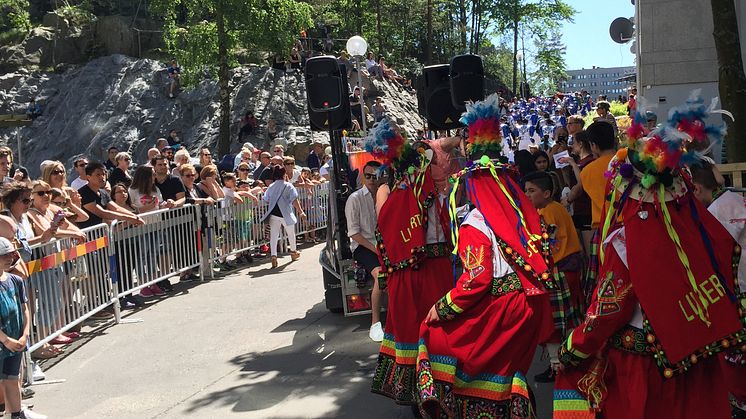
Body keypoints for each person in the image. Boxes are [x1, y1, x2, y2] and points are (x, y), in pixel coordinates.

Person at [553, 97, 744, 419]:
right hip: (699, 358)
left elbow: (608, 311)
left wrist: (573, 346)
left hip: (646, 366)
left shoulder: (628, 243)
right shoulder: (699, 231)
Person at [414, 94, 554, 418]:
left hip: (501, 311)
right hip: (525, 306)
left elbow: (477, 280)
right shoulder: (519, 211)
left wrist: (441, 307)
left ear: (473, 182)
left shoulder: (476, 224)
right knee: (510, 377)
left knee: (432, 336)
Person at [367, 120, 455, 407]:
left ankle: (425, 390)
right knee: (431, 328)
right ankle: (429, 389)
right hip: (422, 268)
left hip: (419, 268)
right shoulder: (411, 191)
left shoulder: (415, 191)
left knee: (423, 328)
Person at [689, 162, 746, 418]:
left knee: (735, 358)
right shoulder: (737, 198)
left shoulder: (713, 214)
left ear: (698, 188)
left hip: (738, 289)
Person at [523, 171, 583, 383]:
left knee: (554, 321)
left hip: (559, 271)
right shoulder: (556, 207)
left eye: (532, 191)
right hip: (570, 269)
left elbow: (546, 246)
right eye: (526, 191)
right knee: (569, 317)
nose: (527, 195)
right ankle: (569, 361)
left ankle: (557, 367)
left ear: (547, 192)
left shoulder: (547, 213)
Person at [0, 237, 39, 419]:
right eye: (4, 255)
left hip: (16, 339)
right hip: (4, 341)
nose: (9, 259)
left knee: (12, 377)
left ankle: (15, 414)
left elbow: (24, 309)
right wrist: (5, 340)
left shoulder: (16, 280)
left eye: (12, 255)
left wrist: (24, 334)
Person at [344, 161, 383, 341]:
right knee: (380, 274)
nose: (372, 180)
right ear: (362, 177)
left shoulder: (385, 195)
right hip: (363, 245)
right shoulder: (355, 198)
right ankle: (375, 323)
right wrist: (376, 250)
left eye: (375, 176)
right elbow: (354, 233)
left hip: (383, 243)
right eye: (368, 176)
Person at [261, 165, 305, 268]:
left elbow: (266, 199)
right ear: (284, 174)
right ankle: (293, 252)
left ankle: (273, 256)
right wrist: (301, 211)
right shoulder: (288, 186)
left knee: (274, 235)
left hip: (274, 213)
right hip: (285, 213)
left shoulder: (271, 186)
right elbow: (294, 200)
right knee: (291, 234)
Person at [77, 162, 143, 230]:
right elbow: (102, 213)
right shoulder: (83, 193)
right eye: (98, 175)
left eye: (103, 174)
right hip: (88, 235)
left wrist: (135, 217)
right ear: (88, 177)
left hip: (102, 234)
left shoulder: (103, 192)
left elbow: (116, 208)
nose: (102, 177)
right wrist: (130, 218)